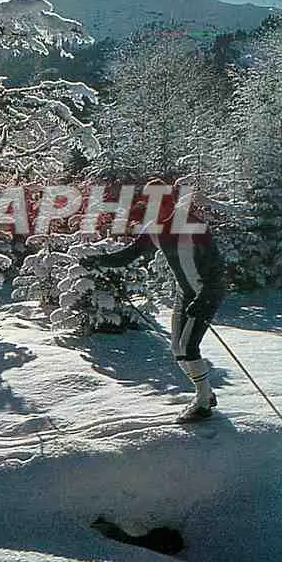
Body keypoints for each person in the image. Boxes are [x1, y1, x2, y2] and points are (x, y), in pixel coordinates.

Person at [82, 178, 226, 423]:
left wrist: (204, 298)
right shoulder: (154, 228)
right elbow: (129, 255)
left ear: (171, 202)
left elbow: (217, 267)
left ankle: (203, 402)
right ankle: (206, 394)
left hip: (207, 292)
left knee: (188, 347)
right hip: (185, 294)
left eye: (162, 203)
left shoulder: (193, 225)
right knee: (178, 349)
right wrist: (99, 261)